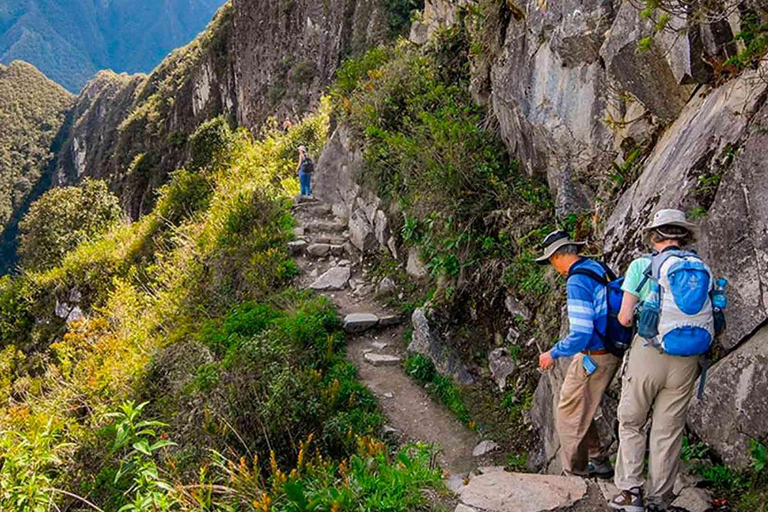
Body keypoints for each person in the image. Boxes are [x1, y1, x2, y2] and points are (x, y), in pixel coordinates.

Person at [611, 209, 710, 512]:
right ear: (683, 237)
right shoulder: (699, 267)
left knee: (632, 421)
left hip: (649, 354)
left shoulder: (642, 265)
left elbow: (626, 318)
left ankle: (630, 493)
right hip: (688, 360)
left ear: (655, 236)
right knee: (668, 429)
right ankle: (659, 499)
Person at [536, 230, 621, 479]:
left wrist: (553, 352)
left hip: (594, 355)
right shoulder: (596, 267)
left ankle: (575, 476)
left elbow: (582, 333)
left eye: (551, 260)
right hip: (610, 349)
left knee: (567, 415)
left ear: (558, 256)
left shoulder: (576, 281)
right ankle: (598, 459)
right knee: (579, 408)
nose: (553, 267)